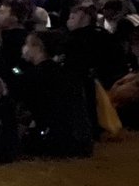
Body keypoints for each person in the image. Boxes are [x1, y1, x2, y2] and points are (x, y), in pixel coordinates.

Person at [14, 30, 93, 158]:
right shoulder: (68, 74)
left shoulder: (32, 77)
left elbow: (25, 114)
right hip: (81, 141)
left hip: (56, 142)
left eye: (27, 44)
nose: (24, 48)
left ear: (38, 47)